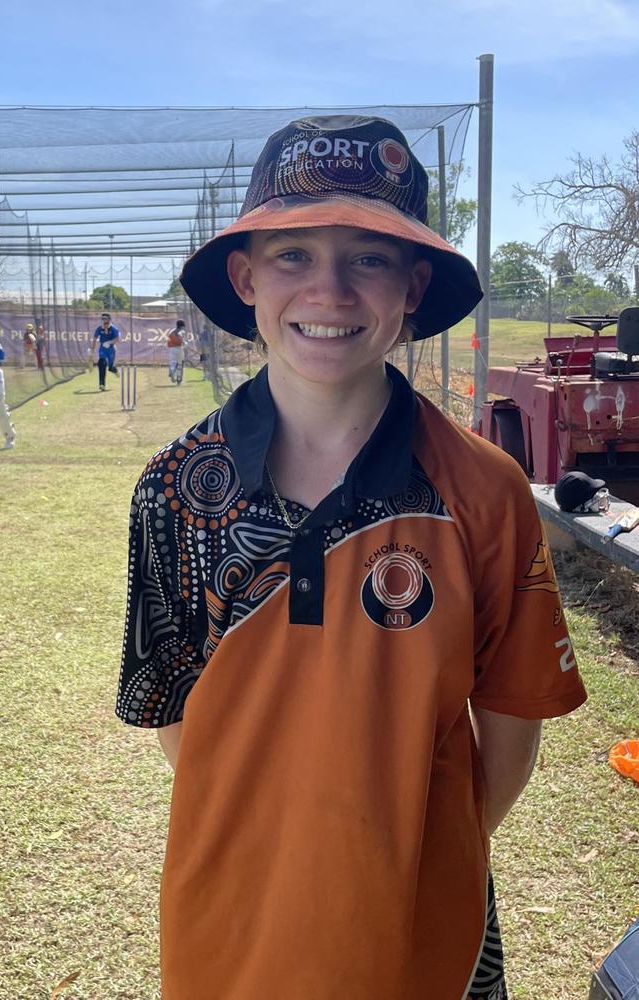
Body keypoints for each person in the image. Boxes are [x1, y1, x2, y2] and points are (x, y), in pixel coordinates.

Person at [117, 116, 587, 1000]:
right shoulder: (174, 488)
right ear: (246, 277)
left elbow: (513, 726)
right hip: (234, 917)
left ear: (414, 285)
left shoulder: (484, 489)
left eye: (367, 257)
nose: (328, 291)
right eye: (294, 254)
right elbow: (182, 717)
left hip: (429, 922)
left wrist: (411, 844)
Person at [91, 311, 119, 391]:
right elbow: (95, 339)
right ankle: (102, 384)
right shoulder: (99, 329)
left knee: (110, 368)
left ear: (109, 320)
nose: (104, 320)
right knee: (102, 363)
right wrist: (92, 351)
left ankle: (115, 370)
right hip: (103, 348)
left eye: (106, 319)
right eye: (102, 319)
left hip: (111, 349)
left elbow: (117, 339)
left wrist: (110, 342)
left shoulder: (114, 329)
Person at [166, 319, 185, 385]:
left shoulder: (172, 332)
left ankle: (172, 369)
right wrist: (184, 343)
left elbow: (168, 341)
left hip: (172, 349)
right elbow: (181, 340)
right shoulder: (181, 332)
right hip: (179, 348)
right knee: (179, 364)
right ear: (182, 326)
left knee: (173, 362)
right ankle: (179, 379)